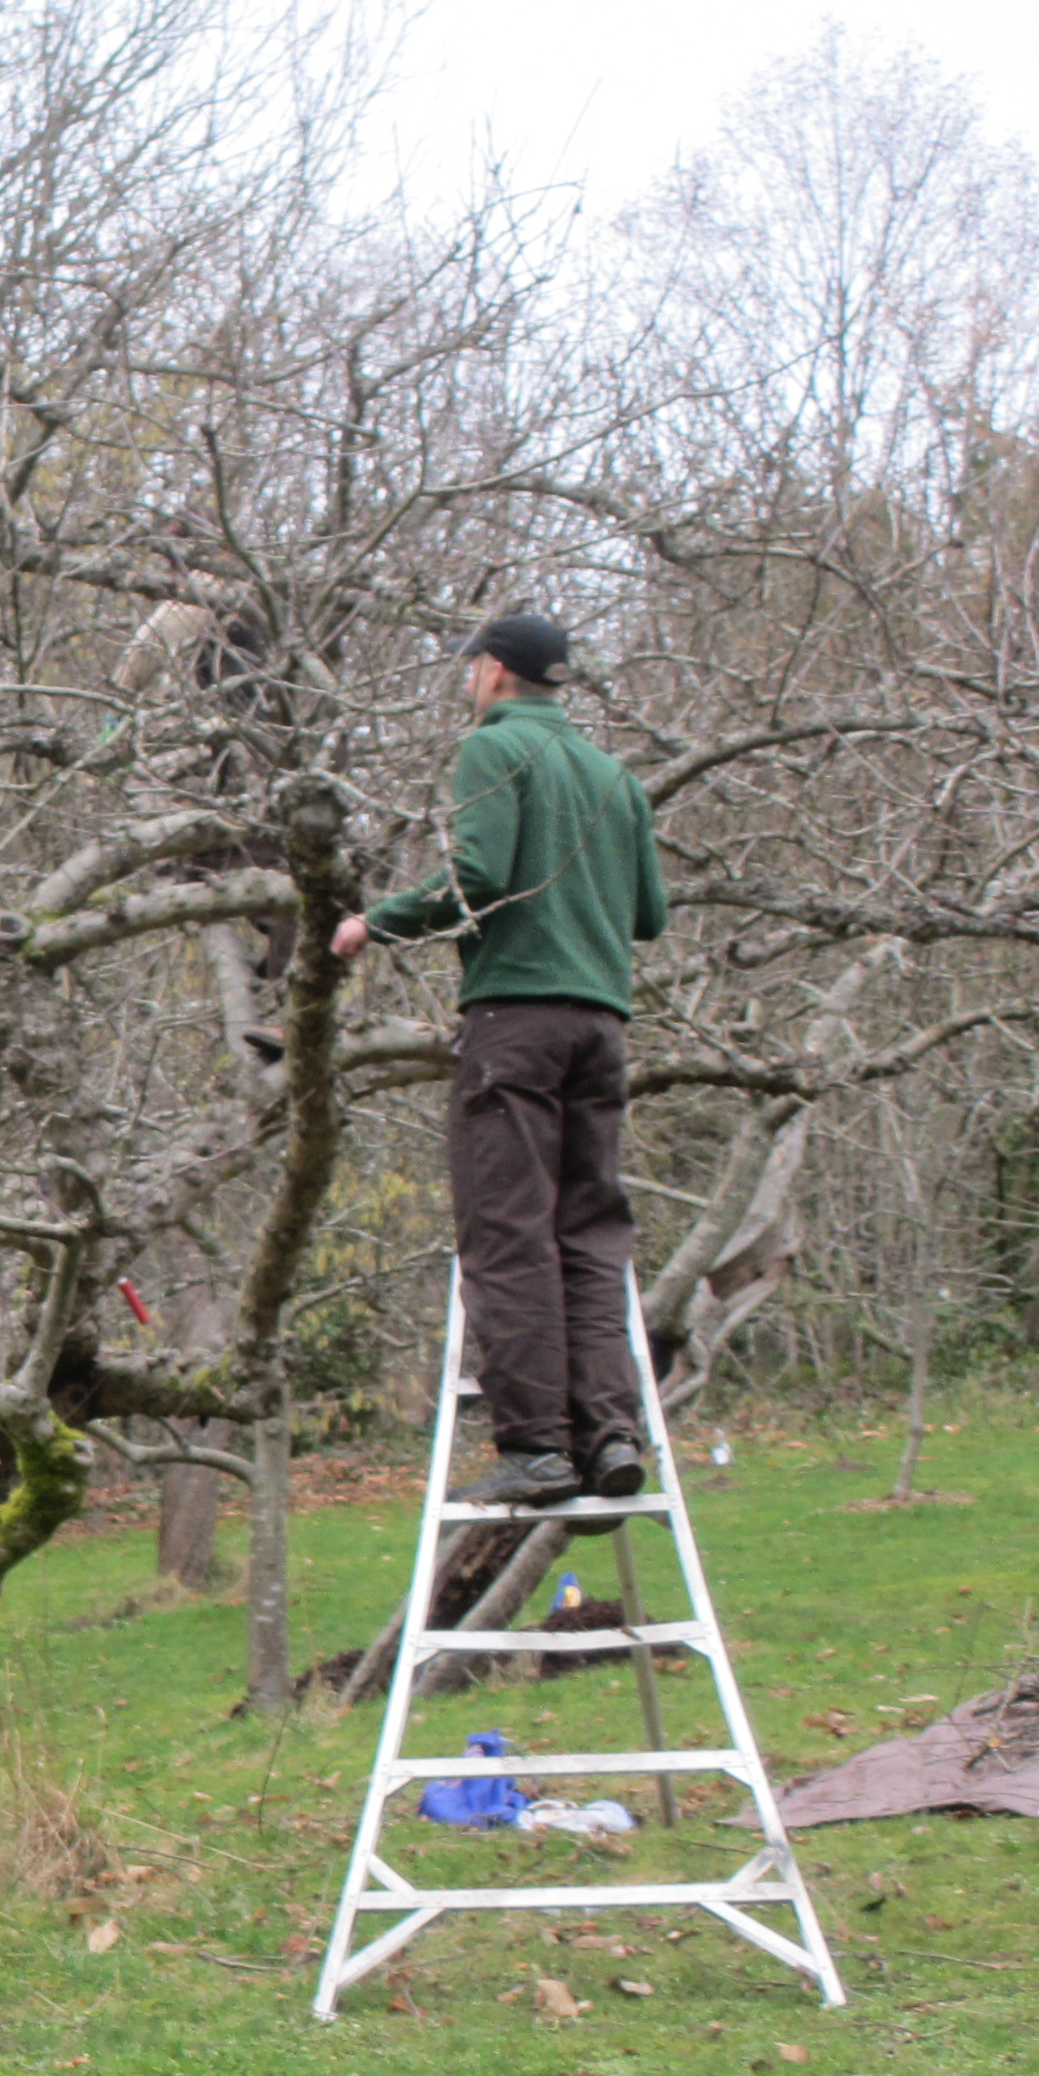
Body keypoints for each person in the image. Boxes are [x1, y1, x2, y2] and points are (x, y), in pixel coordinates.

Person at [334, 611, 668, 1509]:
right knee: (589, 1235)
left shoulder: (493, 750)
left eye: (470, 667)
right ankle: (610, 1436)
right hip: (602, 1029)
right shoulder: (614, 776)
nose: (467, 682)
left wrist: (377, 924)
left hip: (516, 1021)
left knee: (510, 1231)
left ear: (492, 672)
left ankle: (536, 1449)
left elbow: (479, 880)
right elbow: (651, 915)